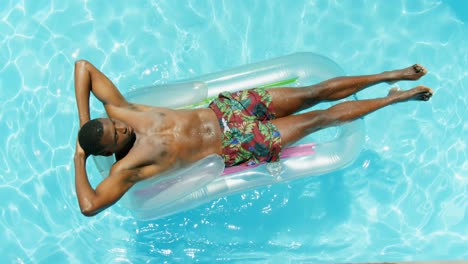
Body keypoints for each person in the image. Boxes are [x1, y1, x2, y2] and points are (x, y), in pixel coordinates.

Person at [73, 59, 433, 216]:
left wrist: (85, 122)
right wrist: (80, 157)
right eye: (115, 136)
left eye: (114, 125)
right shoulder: (128, 169)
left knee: (313, 92)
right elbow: (89, 206)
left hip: (228, 109)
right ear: (110, 151)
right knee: (320, 118)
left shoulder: (123, 111)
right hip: (237, 143)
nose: (121, 128)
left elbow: (83, 68)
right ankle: (397, 99)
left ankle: (390, 76)